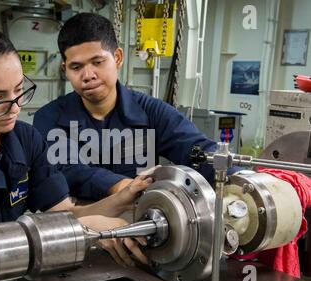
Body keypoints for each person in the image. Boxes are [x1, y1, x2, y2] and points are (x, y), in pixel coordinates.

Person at [0, 25, 151, 267]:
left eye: (19, 90)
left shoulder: (26, 139)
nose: (15, 107)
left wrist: (120, 199)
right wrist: (84, 227)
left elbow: (64, 213)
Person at [34, 12, 227, 201]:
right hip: (76, 225)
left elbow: (196, 150)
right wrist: (124, 187)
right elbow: (67, 170)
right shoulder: (49, 118)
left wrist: (238, 179)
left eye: (97, 62)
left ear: (117, 58)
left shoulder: (152, 112)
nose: (88, 75)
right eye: (76, 67)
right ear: (65, 69)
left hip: (141, 223)